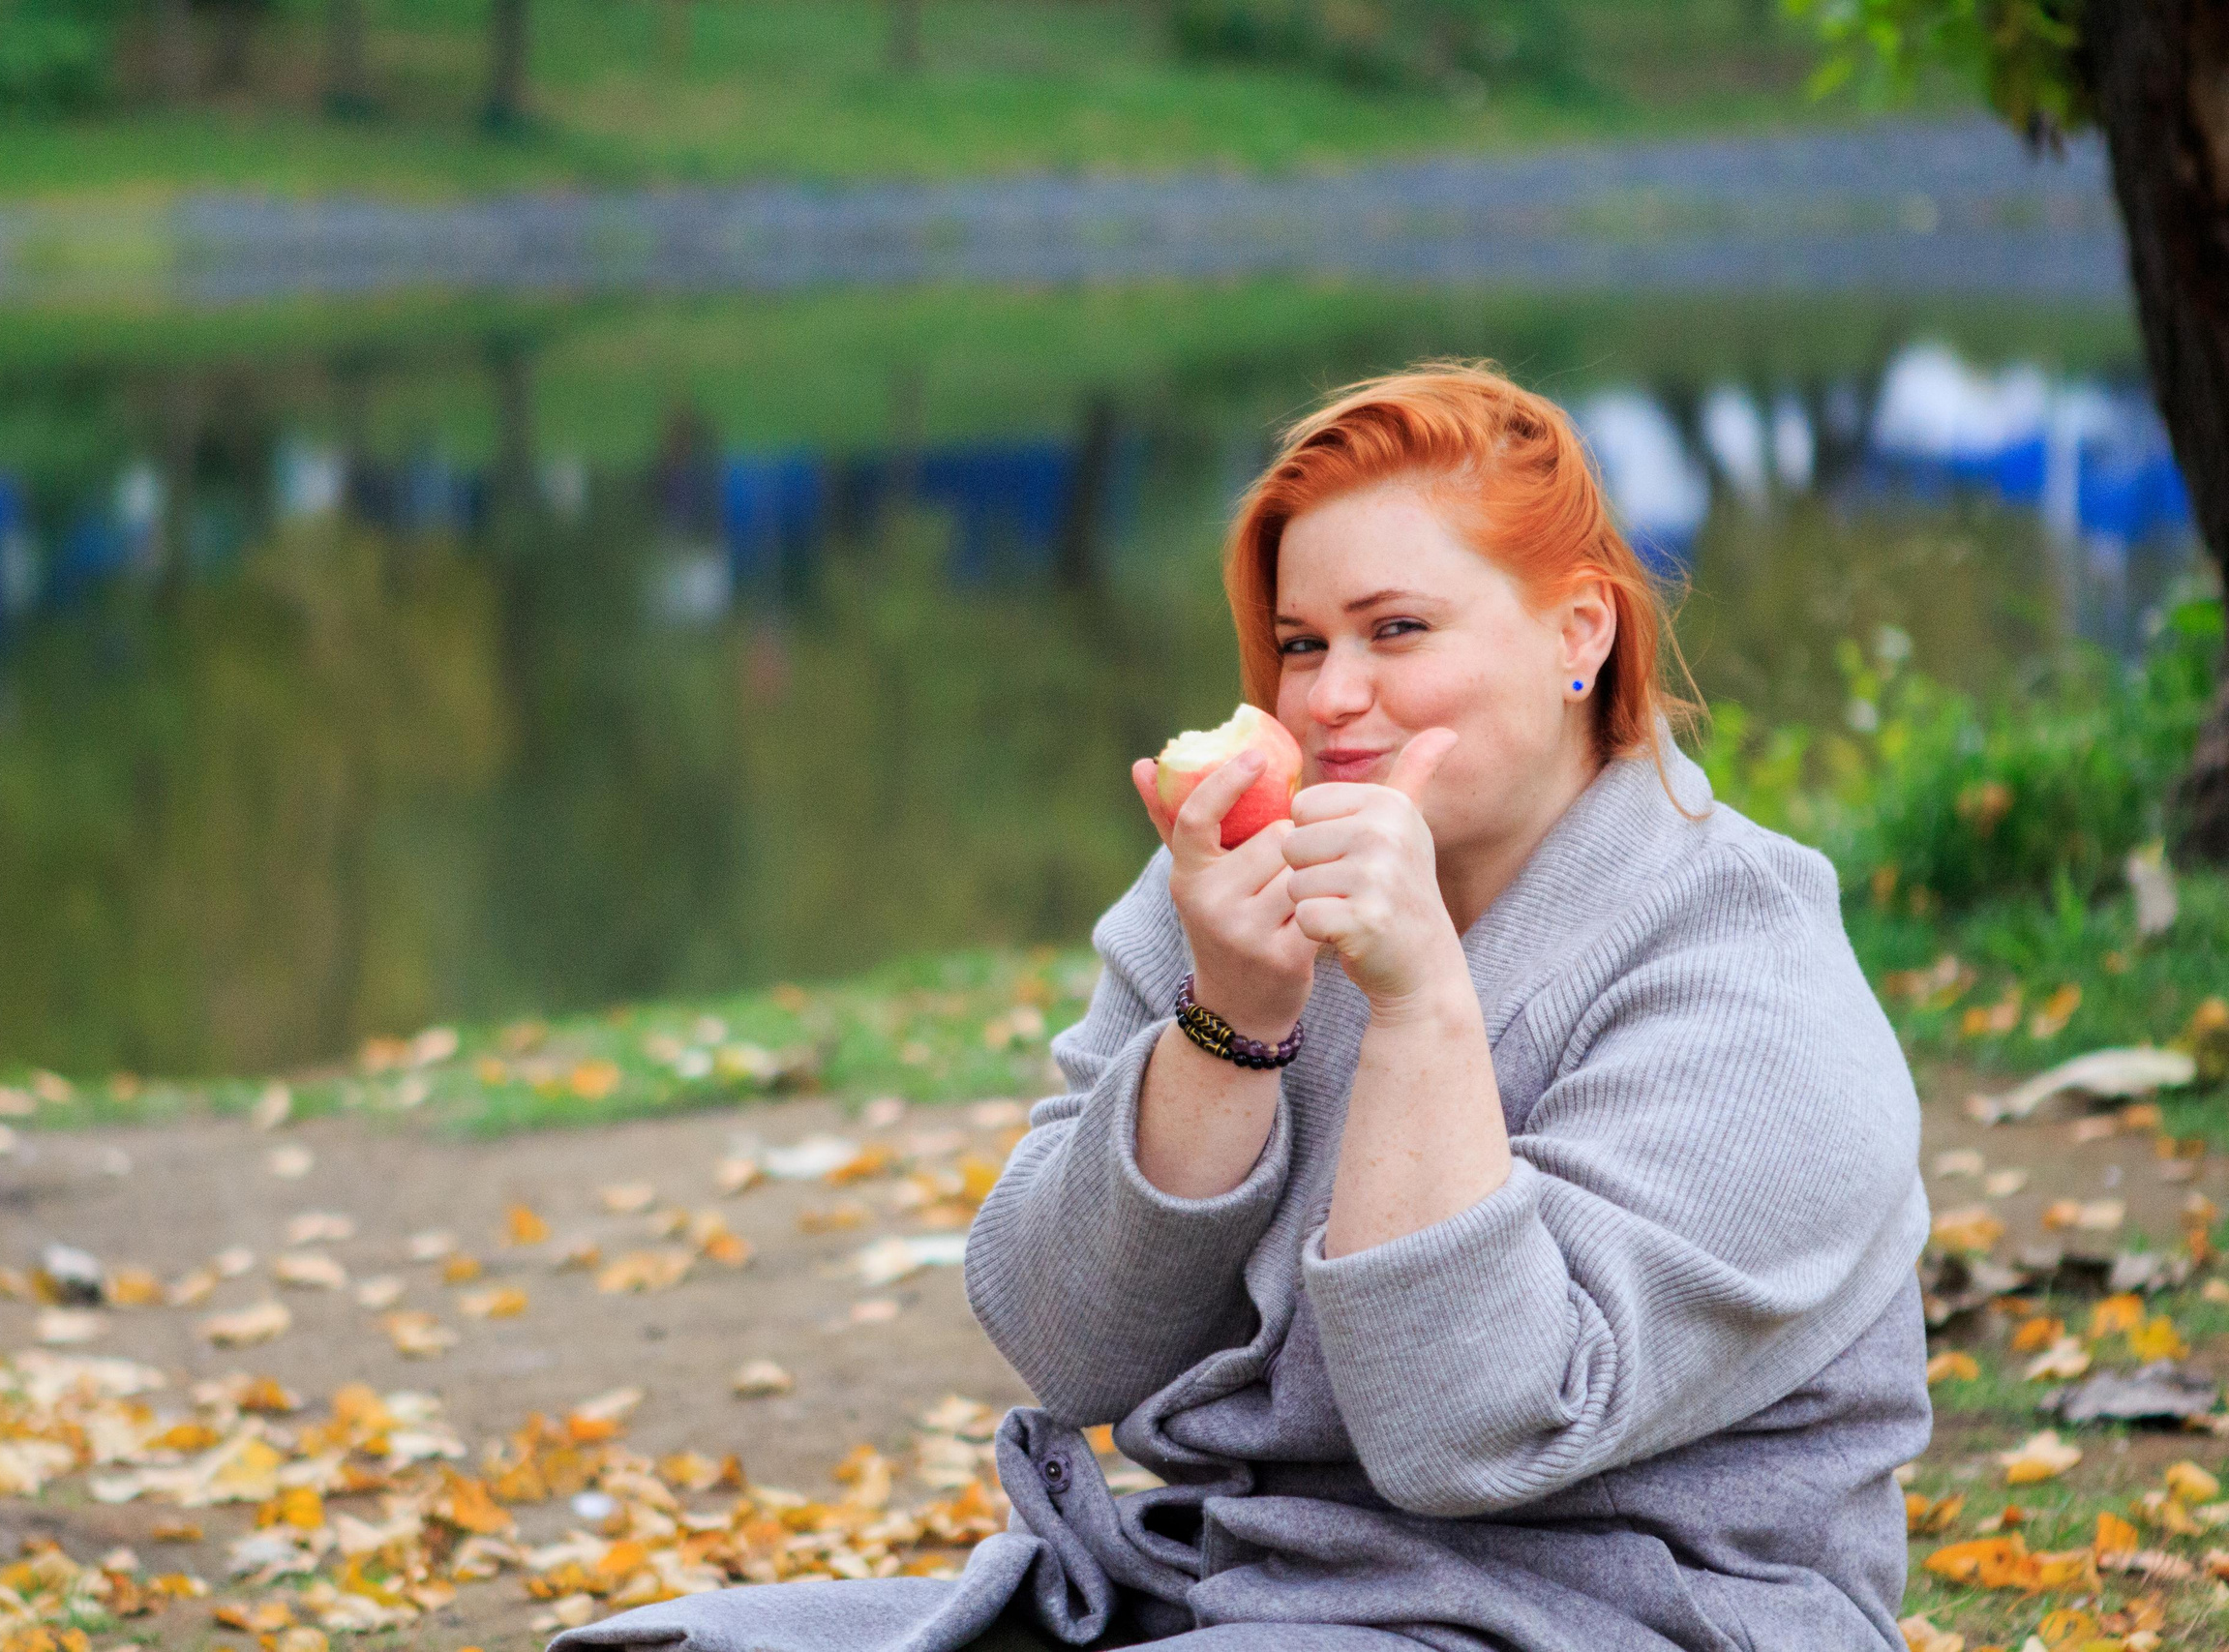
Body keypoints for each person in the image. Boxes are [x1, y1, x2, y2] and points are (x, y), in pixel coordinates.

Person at [553, 364, 1931, 1652]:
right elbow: (1066, 1343)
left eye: (1398, 630)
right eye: (1298, 642)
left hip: (1628, 1612)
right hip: (1246, 1588)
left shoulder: (1745, 970)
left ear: (1580, 632)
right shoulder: (1230, 882)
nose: (1334, 698)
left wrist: (1419, 1006)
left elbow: (1475, 1434)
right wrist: (1231, 1018)